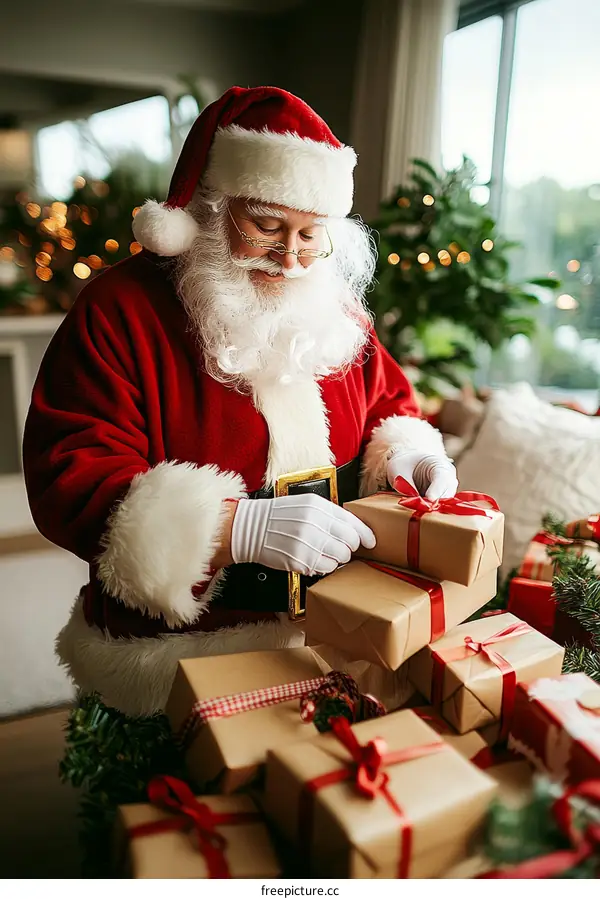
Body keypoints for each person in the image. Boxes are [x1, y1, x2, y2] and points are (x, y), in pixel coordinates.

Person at [23, 86, 457, 718]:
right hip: (178, 658)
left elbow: (390, 404)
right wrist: (233, 529)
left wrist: (406, 456)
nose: (290, 257)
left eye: (311, 234)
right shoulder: (120, 310)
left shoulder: (337, 313)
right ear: (211, 207)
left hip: (340, 636)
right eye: (266, 226)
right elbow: (69, 470)